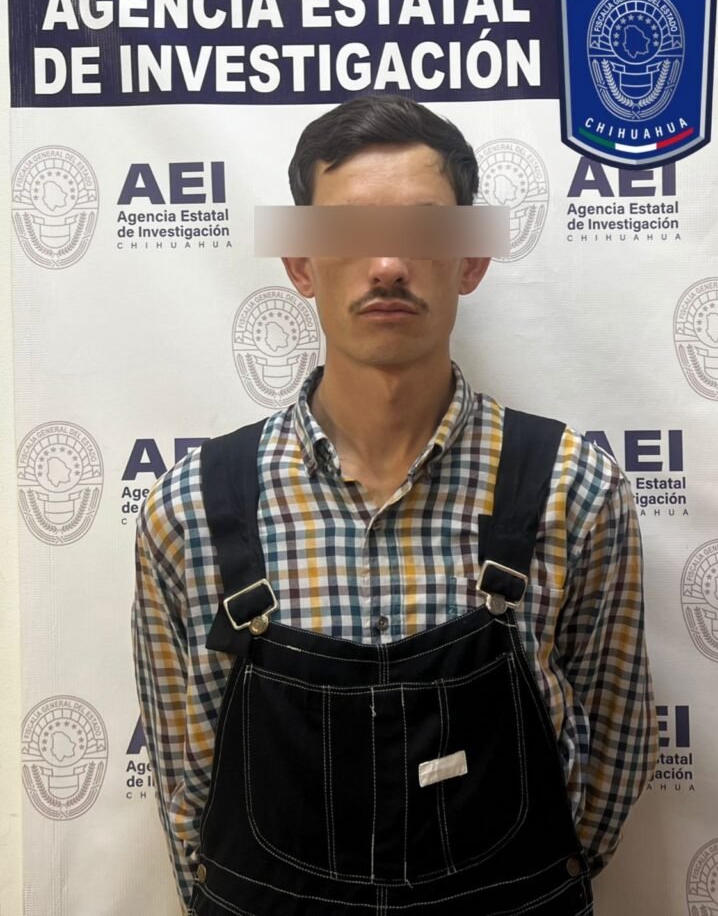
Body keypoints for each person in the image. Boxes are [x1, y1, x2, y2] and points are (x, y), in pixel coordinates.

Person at [132, 93, 659, 916]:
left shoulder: (574, 490)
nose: (386, 264)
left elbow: (614, 757)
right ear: (300, 264)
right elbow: (188, 790)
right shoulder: (190, 512)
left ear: (471, 260)